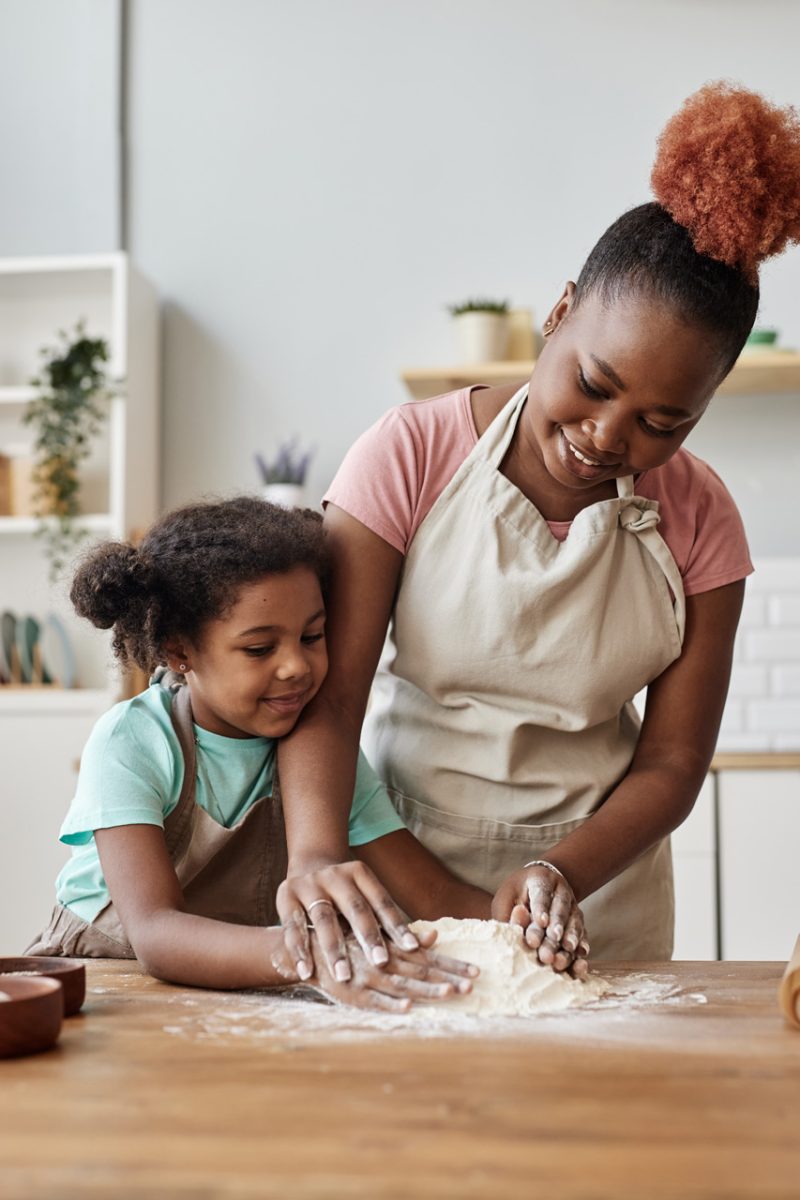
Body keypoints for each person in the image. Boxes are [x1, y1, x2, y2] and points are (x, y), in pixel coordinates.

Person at [274, 82, 800, 979]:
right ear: (559, 313)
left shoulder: (701, 519)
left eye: (664, 421)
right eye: (594, 384)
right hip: (400, 884)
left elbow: (672, 761)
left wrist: (562, 872)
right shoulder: (407, 455)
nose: (607, 438)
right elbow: (332, 696)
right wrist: (317, 853)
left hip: (592, 913)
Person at [26, 497, 487, 1009]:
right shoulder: (134, 741)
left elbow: (436, 898)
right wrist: (312, 956)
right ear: (180, 652)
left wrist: (527, 921)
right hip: (109, 984)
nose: (296, 666)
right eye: (259, 649)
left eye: (313, 636)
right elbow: (156, 935)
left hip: (230, 989)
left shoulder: (323, 759)